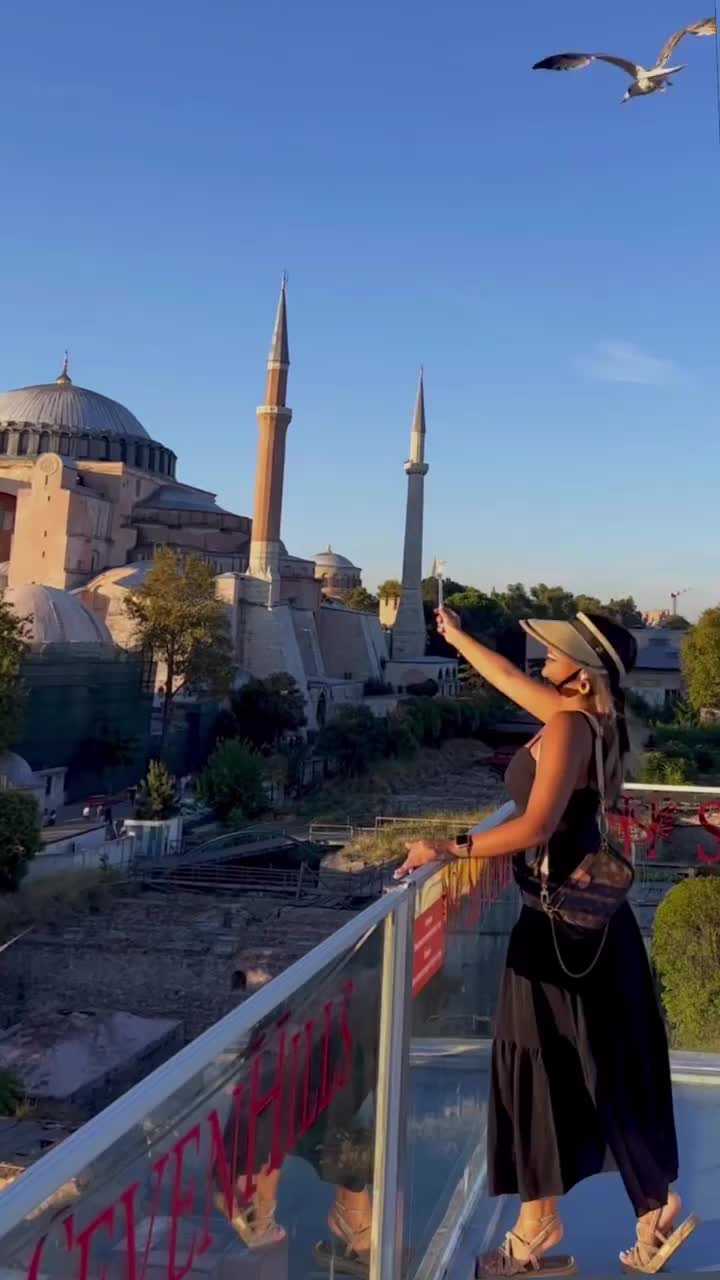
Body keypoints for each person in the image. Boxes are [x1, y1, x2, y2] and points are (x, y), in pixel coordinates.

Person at [396, 608, 696, 1277]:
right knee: (586, 1063)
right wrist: (456, 636)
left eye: (555, 652)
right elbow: (504, 675)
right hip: (586, 927)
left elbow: (535, 826)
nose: (540, 658)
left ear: (582, 671)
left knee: (544, 1064)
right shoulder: (590, 718)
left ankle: (543, 1229)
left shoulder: (567, 726)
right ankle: (642, 1210)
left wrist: (450, 845)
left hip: (560, 929)